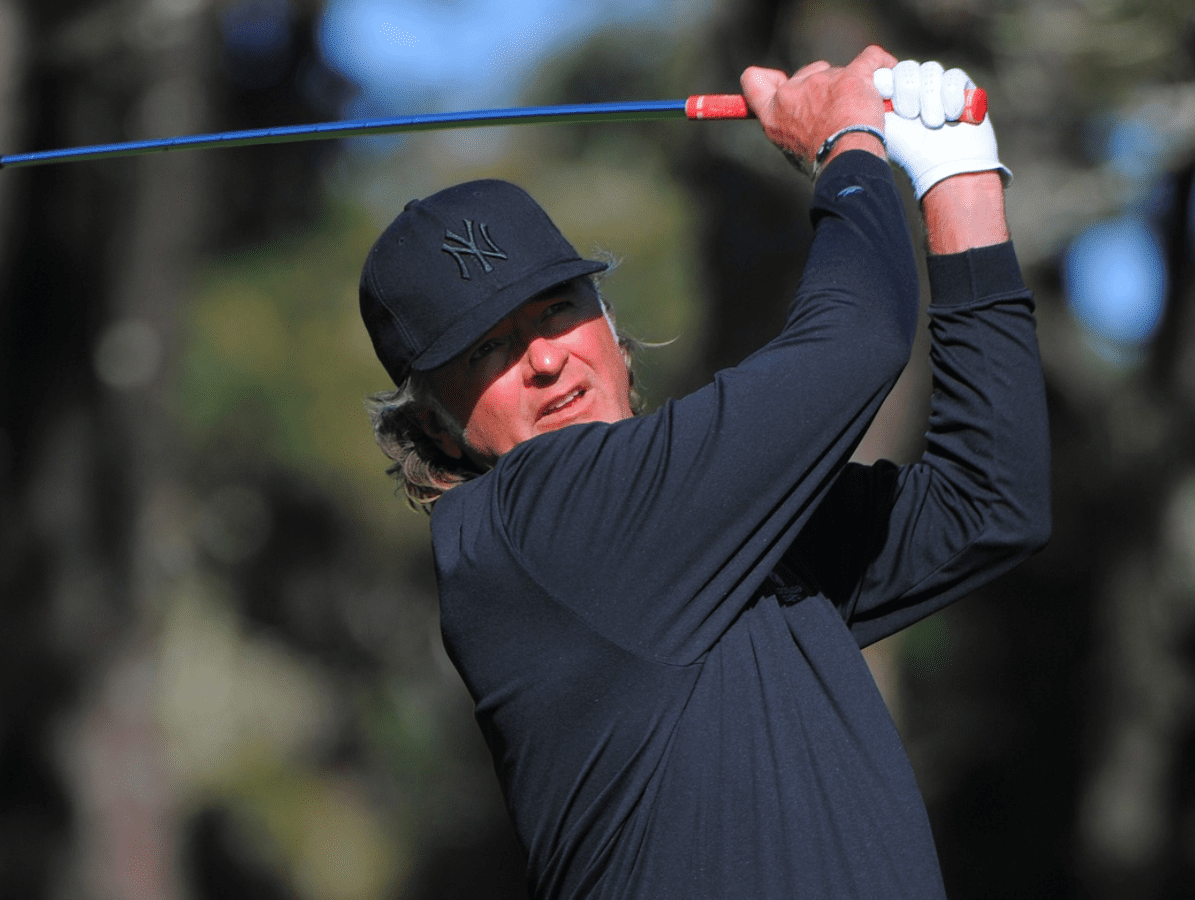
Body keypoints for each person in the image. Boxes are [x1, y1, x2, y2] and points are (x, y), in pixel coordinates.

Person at [359, 45, 1050, 899]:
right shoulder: (537, 528)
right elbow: (856, 342)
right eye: (488, 348)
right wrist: (845, 145)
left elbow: (987, 503)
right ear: (434, 422)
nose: (545, 359)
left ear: (609, 322)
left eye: (559, 310)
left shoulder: (700, 531)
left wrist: (961, 182)